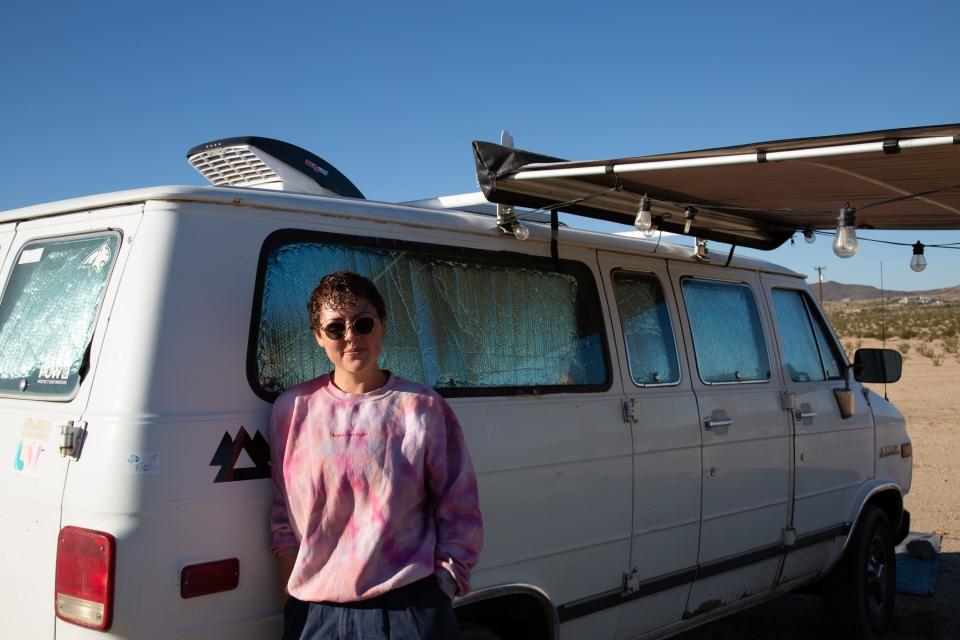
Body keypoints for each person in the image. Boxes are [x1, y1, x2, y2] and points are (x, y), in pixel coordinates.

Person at [269, 270, 483, 640]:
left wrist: (442, 586)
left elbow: (459, 508)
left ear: (381, 325)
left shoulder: (422, 407)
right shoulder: (292, 409)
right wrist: (291, 597)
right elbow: (281, 515)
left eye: (363, 322)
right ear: (319, 337)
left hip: (409, 608)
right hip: (316, 614)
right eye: (335, 328)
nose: (351, 336)